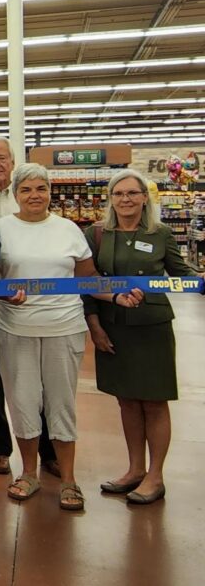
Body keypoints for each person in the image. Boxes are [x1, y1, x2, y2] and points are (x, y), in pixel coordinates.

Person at [0, 163, 142, 511]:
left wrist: (118, 295)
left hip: (64, 327)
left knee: (61, 404)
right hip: (15, 328)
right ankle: (28, 473)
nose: (34, 195)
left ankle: (69, 479)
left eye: (41, 189)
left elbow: (88, 280)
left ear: (50, 193)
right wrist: (3, 294)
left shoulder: (70, 230)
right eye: (27, 189)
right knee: (23, 402)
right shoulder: (0, 229)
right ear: (16, 194)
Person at [85, 169, 193, 505]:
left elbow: (182, 273)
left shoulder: (160, 234)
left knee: (154, 401)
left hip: (152, 327)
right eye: (119, 194)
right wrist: (95, 326)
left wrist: (199, 281)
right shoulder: (97, 234)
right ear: (110, 199)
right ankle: (134, 469)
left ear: (145, 198)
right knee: (127, 401)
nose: (126, 200)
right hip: (113, 325)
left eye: (133, 193)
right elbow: (88, 283)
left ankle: (155, 476)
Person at [0, 135, 58, 477]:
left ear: (12, 161)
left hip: (30, 300)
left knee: (35, 377)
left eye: (2, 158)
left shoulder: (28, 195)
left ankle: (49, 449)